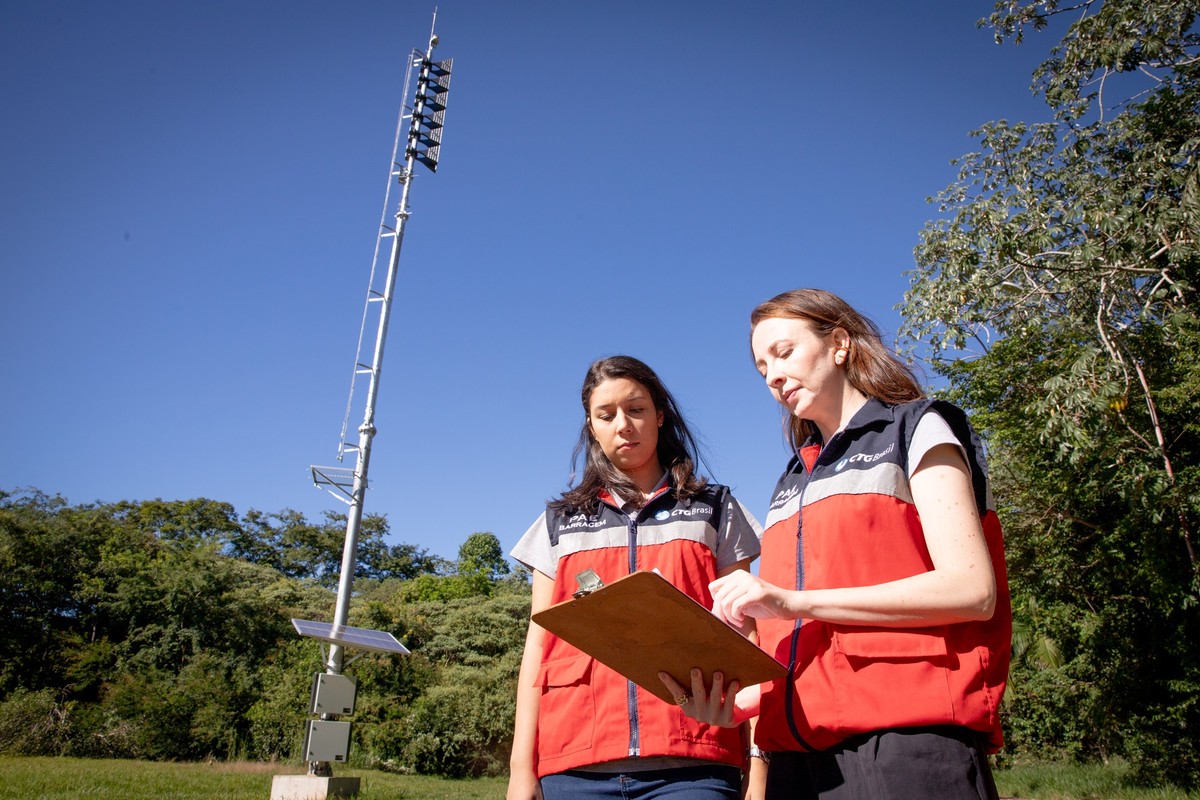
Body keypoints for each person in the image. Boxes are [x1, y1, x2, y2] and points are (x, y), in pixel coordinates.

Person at [661, 289, 1011, 800]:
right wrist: (737, 703)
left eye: (783, 353)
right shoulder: (789, 482)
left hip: (907, 748)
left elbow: (973, 589)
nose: (773, 376)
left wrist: (793, 601)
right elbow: (803, 644)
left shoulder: (917, 426)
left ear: (840, 343)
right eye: (762, 369)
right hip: (798, 763)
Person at [507, 355, 765, 800]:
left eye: (637, 409)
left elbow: (750, 637)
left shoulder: (716, 508)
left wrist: (759, 770)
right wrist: (519, 770)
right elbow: (538, 647)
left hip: (695, 763)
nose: (623, 425)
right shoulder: (559, 521)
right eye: (606, 415)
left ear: (660, 415)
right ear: (592, 427)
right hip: (574, 766)